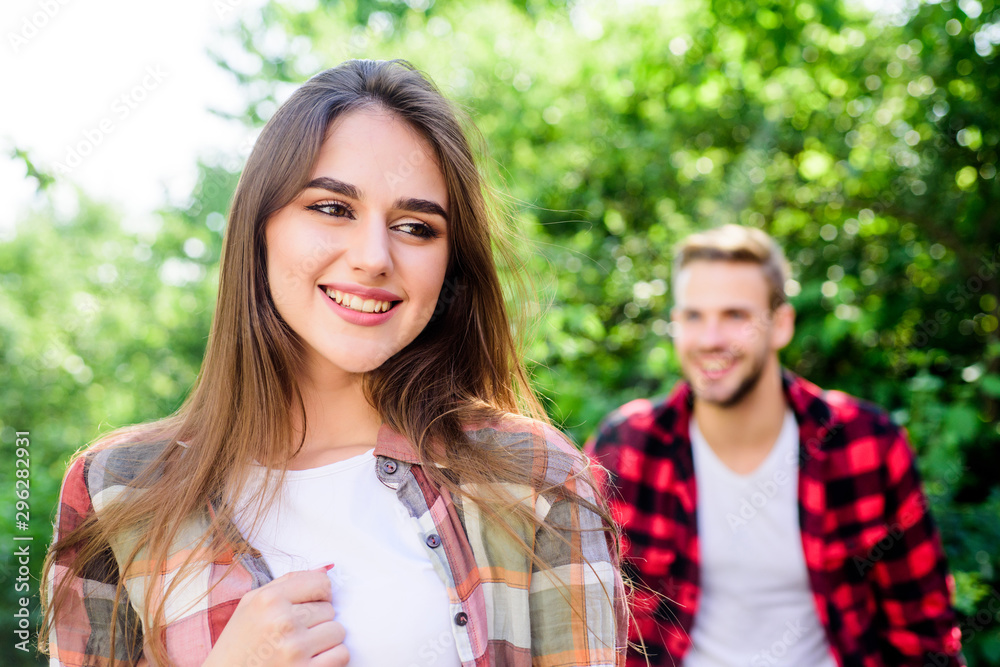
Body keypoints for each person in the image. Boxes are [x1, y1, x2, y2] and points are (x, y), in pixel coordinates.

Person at [42, 59, 626, 667]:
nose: (374, 257)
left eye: (415, 226)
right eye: (332, 208)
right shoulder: (119, 490)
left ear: (450, 263)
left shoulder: (532, 477)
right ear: (260, 226)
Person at [585, 225, 963, 666]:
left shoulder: (865, 443)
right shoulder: (626, 447)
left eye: (735, 316)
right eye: (692, 316)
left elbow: (923, 629)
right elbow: (584, 617)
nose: (710, 339)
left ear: (781, 324)